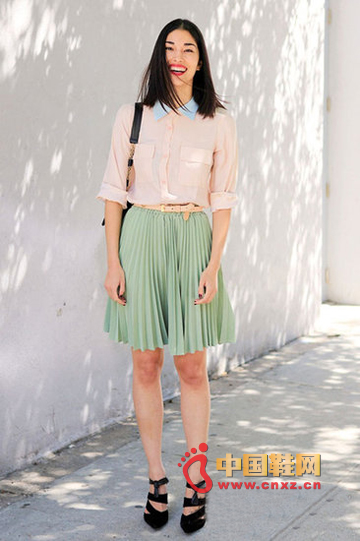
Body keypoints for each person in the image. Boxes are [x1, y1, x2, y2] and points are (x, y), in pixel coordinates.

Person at [96, 18, 239, 534]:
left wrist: (213, 265)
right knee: (145, 365)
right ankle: (157, 478)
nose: (178, 56)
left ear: (200, 61)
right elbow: (114, 191)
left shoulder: (218, 121)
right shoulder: (131, 116)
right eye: (170, 47)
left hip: (191, 239)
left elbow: (222, 200)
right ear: (160, 57)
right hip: (140, 242)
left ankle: (196, 479)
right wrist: (113, 261)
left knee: (193, 369)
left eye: (189, 49)